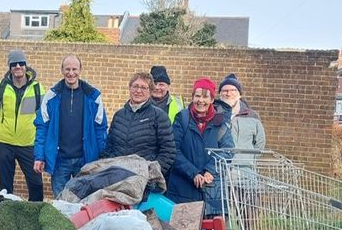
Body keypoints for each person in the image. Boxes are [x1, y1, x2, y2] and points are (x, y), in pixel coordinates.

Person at [33, 55, 108, 197]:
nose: (71, 73)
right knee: (60, 204)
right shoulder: (51, 96)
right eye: (67, 69)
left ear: (80, 70)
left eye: (74, 69)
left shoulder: (94, 97)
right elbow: (42, 128)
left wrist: (102, 157)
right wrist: (39, 156)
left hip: (85, 160)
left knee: (84, 202)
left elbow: (100, 129)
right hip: (60, 161)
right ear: (62, 70)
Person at [168, 77, 235, 217]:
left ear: (212, 100)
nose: (201, 101)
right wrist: (193, 173)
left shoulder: (221, 122)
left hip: (212, 191)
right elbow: (173, 150)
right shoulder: (182, 119)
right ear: (192, 97)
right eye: (197, 96)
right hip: (183, 189)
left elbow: (227, 151)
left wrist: (210, 171)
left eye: (206, 97)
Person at [0, 49, 45, 200]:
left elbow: (44, 117)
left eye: (21, 63)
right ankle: (7, 216)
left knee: (36, 184)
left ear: (26, 65)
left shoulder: (38, 89)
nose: (17, 66)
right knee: (5, 187)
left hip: (28, 143)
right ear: (10, 67)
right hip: (4, 142)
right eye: (14, 64)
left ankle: (35, 213)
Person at [102, 72, 175, 176]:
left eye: (144, 88)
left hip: (144, 178)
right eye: (135, 86)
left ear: (150, 92)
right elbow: (109, 146)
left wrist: (152, 174)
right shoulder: (119, 115)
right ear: (129, 88)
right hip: (117, 175)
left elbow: (168, 150)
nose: (138, 90)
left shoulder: (159, 116)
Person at [218, 73, 266, 158]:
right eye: (225, 90)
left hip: (243, 168)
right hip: (218, 167)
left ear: (240, 94)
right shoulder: (214, 114)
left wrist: (248, 160)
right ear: (220, 94)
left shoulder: (252, 116)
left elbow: (260, 143)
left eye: (233, 90)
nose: (228, 94)